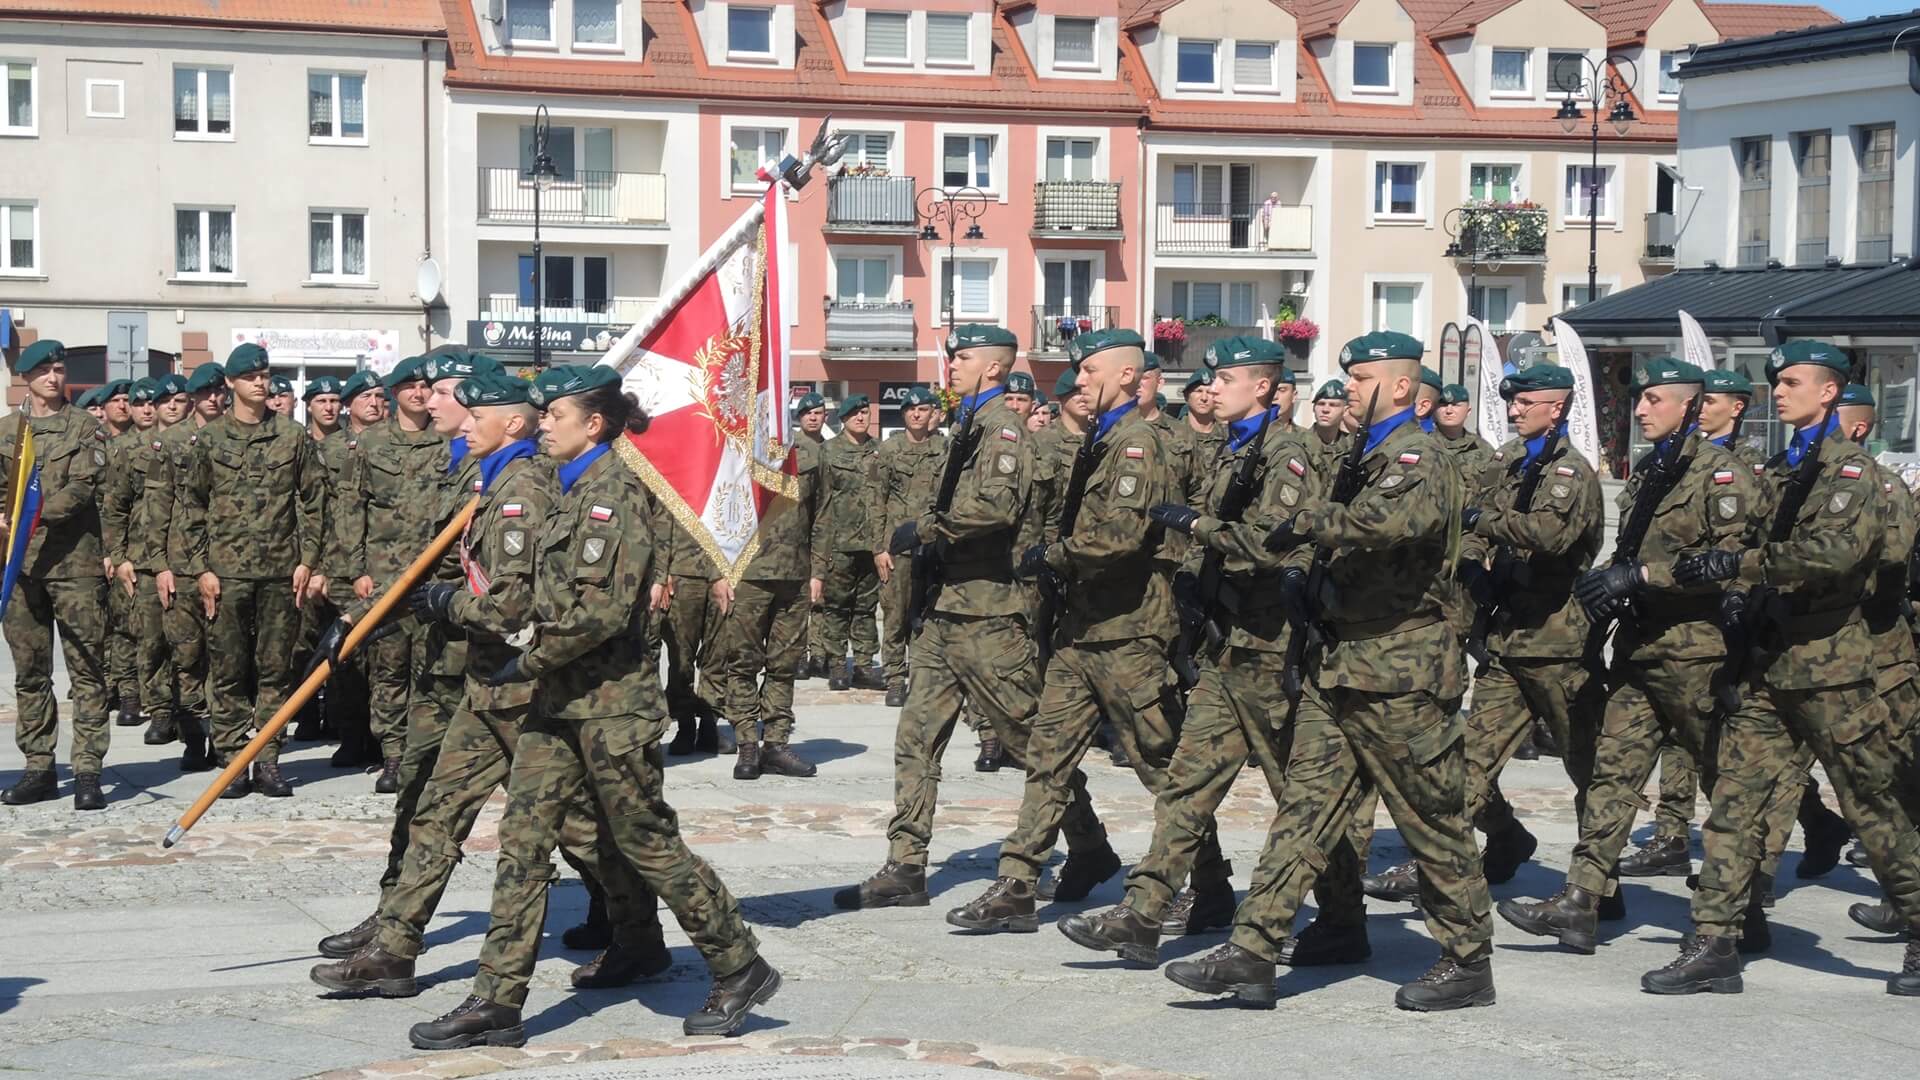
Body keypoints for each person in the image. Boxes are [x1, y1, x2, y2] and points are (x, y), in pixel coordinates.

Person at [404, 364, 779, 1048]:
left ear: (594, 424)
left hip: (610, 707)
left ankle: (739, 962)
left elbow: (599, 612)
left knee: (646, 842)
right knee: (522, 841)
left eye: (555, 415)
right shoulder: (568, 489)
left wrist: (528, 659)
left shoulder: (615, 496)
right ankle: (497, 1000)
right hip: (556, 703)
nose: (542, 424)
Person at [1164, 331, 1495, 1012]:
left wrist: (1301, 518)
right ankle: (1253, 950)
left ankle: (1469, 959)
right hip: (1340, 664)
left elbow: (1380, 524)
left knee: (1432, 819)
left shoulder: (1419, 456)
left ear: (1399, 386)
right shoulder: (1361, 456)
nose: (1347, 392)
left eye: (1362, 380)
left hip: (1401, 670)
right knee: (1304, 811)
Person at [309, 371, 664, 999]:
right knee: (437, 811)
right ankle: (395, 948)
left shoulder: (523, 489)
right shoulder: (489, 478)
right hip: (483, 685)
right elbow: (436, 568)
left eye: (477, 415)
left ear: (513, 424)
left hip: (522, 685)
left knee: (576, 826)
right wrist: (362, 617)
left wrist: (445, 605)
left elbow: (513, 604)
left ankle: (638, 934)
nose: (462, 421)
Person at [1647, 343, 1920, 996]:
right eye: (1777, 382)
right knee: (1734, 806)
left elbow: (1832, 553)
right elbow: (1749, 541)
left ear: (1829, 392)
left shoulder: (1852, 473)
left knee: (1872, 806)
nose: (1779, 392)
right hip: (1767, 665)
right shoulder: (1778, 468)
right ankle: (1714, 941)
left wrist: (1737, 566)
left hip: (1830, 670)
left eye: (1793, 382)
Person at [947, 327, 1220, 931]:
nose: (1080, 382)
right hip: (1081, 629)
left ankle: (1208, 883)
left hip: (1128, 630)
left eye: (1091, 372)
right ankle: (1017, 882)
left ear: (1126, 376)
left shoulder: (1137, 444)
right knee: (1047, 756)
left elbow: (1121, 536)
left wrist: (1052, 556)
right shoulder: (1102, 439)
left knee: (1159, 764)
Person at [1059, 335, 1322, 960]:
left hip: (1269, 648)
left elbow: (1270, 544)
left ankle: (1340, 914)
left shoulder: (1286, 453)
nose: (1212, 389)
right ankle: (1143, 911)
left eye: (1225, 379)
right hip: (1226, 650)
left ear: (1262, 386)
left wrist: (1198, 526)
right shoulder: (1235, 451)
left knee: (1301, 796)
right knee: (1185, 785)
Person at [1497, 359, 1765, 953]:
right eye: (1639, 398)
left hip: (1698, 656)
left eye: (1654, 400)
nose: (1640, 409)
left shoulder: (1723, 476)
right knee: (1611, 777)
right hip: (1640, 650)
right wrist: (1615, 589)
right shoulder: (1650, 471)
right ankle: (1581, 901)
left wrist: (1644, 577)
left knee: (1727, 784)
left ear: (1689, 406)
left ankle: (1743, 909)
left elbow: (1735, 566)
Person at [836, 326, 1108, 911]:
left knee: (1028, 741)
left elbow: (996, 508)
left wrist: (923, 529)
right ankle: (906, 864)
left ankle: (1088, 843)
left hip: (990, 613)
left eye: (961, 357)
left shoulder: (1003, 430)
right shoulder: (967, 428)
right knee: (915, 738)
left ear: (993, 369)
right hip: (945, 610)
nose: (951, 365)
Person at [1369, 364, 1605, 906]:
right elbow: (1472, 521)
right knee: (1465, 762)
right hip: (1507, 641)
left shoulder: (1571, 471)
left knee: (1590, 769)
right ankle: (1445, 864)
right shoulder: (1509, 460)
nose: (1515, 411)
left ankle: (1597, 885)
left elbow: (1548, 534)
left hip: (1559, 643)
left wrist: (1481, 523)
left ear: (1558, 408)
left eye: (1526, 403)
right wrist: (1474, 563)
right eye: (1512, 402)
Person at [173, 343, 326, 798]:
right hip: (226, 573)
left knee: (275, 670)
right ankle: (233, 760)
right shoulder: (211, 439)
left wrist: (308, 559)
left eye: (264, 376)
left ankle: (268, 759)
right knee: (228, 670)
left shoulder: (291, 436)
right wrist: (200, 568)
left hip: (281, 571)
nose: (261, 383)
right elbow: (191, 507)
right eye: (250, 377)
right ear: (231, 384)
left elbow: (314, 501)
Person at [0, 341, 113, 809]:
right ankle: (39, 768)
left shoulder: (85, 427)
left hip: (75, 568)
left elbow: (82, 488)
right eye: (44, 370)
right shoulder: (8, 432)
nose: (53, 377)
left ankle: (87, 770)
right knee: (30, 672)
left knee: (87, 669)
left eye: (59, 369)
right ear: (26, 377)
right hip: (21, 568)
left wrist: (32, 516)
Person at [334, 356, 447, 792]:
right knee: (389, 669)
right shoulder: (370, 443)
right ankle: (394, 754)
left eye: (425, 387)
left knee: (431, 668)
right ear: (394, 393)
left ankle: (425, 754)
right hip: (383, 575)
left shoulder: (448, 440)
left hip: (436, 576)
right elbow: (351, 507)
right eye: (409, 387)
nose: (418, 394)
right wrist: (356, 570)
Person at [711, 393, 828, 780]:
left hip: (794, 575)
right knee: (742, 663)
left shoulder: (809, 456)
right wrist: (717, 572)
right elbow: (713, 515)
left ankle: (776, 744)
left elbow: (823, 516)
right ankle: (747, 742)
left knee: (784, 664)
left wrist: (818, 571)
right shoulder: (732, 454)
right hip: (746, 575)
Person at [101, 378, 181, 750]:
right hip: (143, 558)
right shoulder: (127, 450)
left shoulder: (196, 443)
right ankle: (160, 710)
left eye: (175, 400)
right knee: (150, 640)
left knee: (192, 642)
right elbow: (115, 507)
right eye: (151, 402)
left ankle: (191, 711)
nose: (156, 408)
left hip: (188, 556)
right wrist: (118, 557)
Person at [159, 363, 228, 772]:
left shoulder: (235, 436)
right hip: (181, 564)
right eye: (204, 393)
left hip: (226, 561)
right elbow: (158, 504)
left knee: (226, 658)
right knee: (186, 657)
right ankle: (193, 738)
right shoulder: (171, 441)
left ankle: (224, 736)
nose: (213, 399)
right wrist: (159, 565)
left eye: (218, 392)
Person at [870, 385, 947, 709]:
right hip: (897, 549)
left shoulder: (944, 449)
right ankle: (894, 679)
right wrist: (878, 549)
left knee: (929, 616)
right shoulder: (889, 450)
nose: (917, 414)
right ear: (903, 414)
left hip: (932, 546)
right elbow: (876, 501)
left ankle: (921, 677)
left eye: (923, 409)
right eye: (911, 409)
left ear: (933, 414)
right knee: (895, 615)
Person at [817, 393, 884, 691]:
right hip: (839, 543)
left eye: (864, 412)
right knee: (836, 607)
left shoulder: (880, 450)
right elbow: (821, 501)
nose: (860, 417)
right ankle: (836, 666)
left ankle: (864, 666)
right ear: (843, 419)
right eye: (854, 413)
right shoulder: (828, 451)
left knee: (866, 608)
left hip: (871, 544)